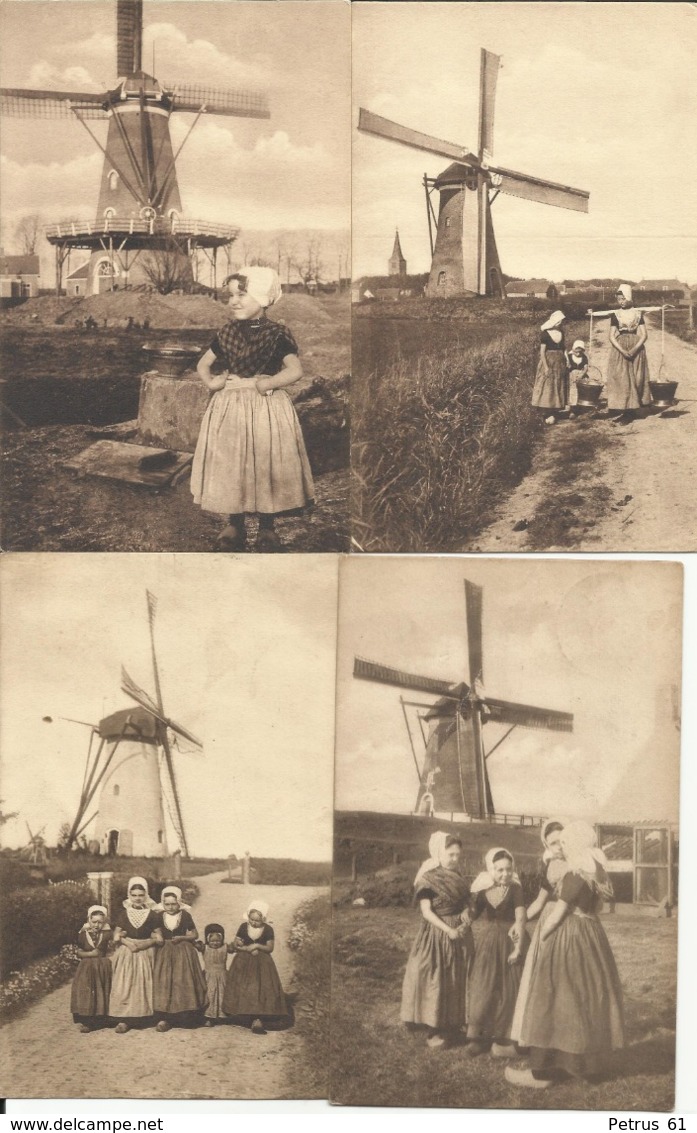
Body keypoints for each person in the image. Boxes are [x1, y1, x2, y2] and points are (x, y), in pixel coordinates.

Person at [191, 266, 314, 551]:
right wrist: (213, 383)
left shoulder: (276, 334)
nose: (233, 301)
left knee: (265, 461)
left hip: (265, 408)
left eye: (242, 294)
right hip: (230, 407)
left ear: (262, 297)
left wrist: (268, 383)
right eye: (230, 295)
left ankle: (267, 528)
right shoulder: (226, 333)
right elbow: (203, 364)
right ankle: (234, 524)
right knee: (233, 463)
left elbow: (295, 370)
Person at [505, 821, 624, 1089]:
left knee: (554, 997)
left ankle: (543, 1070)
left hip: (569, 937)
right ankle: (586, 1065)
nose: (563, 848)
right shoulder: (596, 871)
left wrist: (544, 936)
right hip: (592, 936)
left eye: (566, 843)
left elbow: (557, 915)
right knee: (585, 997)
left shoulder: (574, 874)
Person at [399, 831, 474, 1049]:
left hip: (459, 932)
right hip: (436, 932)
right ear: (439, 852)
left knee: (455, 977)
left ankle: (453, 1022)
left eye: (458, 855)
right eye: (450, 855)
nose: (455, 859)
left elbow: (467, 904)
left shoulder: (458, 877)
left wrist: (466, 916)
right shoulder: (428, 878)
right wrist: (447, 930)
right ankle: (433, 1027)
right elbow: (426, 912)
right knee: (432, 974)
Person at [509, 817, 567, 1045]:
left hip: (569, 927)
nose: (559, 847)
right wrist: (520, 923)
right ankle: (536, 1035)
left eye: (562, 841)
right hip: (548, 925)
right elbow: (539, 902)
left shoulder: (578, 865)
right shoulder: (550, 867)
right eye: (553, 843)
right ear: (547, 846)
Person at [465, 848, 527, 1059]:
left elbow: (520, 916)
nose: (505, 874)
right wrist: (466, 913)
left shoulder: (516, 889)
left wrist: (518, 946)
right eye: (499, 870)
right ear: (491, 869)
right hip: (490, 941)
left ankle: (506, 1036)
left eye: (508, 869)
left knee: (510, 987)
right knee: (485, 985)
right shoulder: (483, 888)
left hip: (511, 938)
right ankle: (478, 1037)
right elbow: (472, 914)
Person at [588, 284, 660, 424]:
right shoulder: (616, 314)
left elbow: (644, 335)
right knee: (621, 377)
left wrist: (634, 349)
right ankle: (622, 407)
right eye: (618, 299)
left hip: (636, 347)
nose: (620, 302)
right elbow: (611, 336)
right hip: (620, 348)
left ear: (629, 298)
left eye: (623, 299)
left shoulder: (638, 314)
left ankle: (631, 411)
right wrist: (622, 350)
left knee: (636, 377)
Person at [223, 899, 290, 1034]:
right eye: (251, 919)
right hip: (243, 960)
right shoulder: (243, 927)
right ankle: (242, 1012)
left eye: (257, 921)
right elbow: (237, 943)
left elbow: (270, 947)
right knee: (243, 985)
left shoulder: (268, 929)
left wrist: (258, 946)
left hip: (262, 962)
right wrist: (243, 946)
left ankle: (258, 1018)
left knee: (260, 987)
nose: (253, 923)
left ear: (263, 919)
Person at [152, 886, 207, 1031]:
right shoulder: (158, 916)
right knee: (165, 982)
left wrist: (182, 937)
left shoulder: (185, 916)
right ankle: (165, 1018)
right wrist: (158, 937)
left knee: (182, 981)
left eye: (173, 904)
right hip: (164, 951)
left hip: (182, 950)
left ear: (179, 903)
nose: (170, 907)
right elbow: (153, 933)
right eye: (167, 904)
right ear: (163, 904)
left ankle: (185, 1016)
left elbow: (194, 935)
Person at [109, 877, 161, 1033]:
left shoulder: (152, 914)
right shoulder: (124, 914)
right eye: (134, 895)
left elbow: (159, 938)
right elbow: (116, 936)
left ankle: (143, 1017)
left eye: (140, 895)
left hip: (145, 952)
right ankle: (124, 1019)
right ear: (129, 895)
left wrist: (145, 944)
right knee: (125, 984)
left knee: (144, 983)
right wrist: (128, 943)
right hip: (128, 951)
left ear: (145, 895)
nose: (137, 898)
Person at [70, 904, 112, 1033]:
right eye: (94, 922)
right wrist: (89, 954)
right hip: (86, 966)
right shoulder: (83, 934)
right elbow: (78, 951)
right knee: (86, 990)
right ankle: (87, 1020)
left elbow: (110, 948)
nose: (96, 925)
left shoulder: (106, 934)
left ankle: (102, 1018)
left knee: (101, 990)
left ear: (104, 922)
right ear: (89, 920)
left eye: (100, 922)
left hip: (102, 966)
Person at [531, 310, 569, 424]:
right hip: (548, 361)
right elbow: (542, 352)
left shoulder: (561, 333)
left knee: (558, 384)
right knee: (548, 385)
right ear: (554, 321)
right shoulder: (545, 334)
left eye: (561, 321)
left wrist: (567, 359)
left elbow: (564, 348)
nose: (560, 323)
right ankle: (547, 411)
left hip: (559, 362)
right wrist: (546, 366)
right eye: (558, 321)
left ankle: (555, 409)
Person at [196, 922, 229, 1027]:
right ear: (207, 939)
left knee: (222, 995)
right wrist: (196, 942)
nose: (215, 943)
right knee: (209, 995)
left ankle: (222, 1016)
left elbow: (234, 947)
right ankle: (208, 1017)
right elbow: (196, 945)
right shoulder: (205, 948)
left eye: (218, 941)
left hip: (222, 975)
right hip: (209, 976)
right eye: (212, 941)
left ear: (222, 939)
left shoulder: (225, 948)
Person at [565, 339, 590, 408]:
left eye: (580, 352)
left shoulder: (584, 357)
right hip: (571, 376)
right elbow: (567, 367)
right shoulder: (569, 356)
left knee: (582, 389)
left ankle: (580, 405)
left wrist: (582, 374)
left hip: (581, 375)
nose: (578, 354)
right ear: (573, 350)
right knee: (572, 391)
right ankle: (572, 407)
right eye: (576, 352)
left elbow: (585, 367)